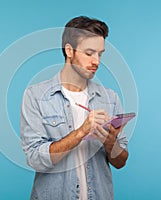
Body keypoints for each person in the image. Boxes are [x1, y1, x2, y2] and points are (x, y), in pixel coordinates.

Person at [20, 16, 129, 200]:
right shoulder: (36, 96)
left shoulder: (110, 98)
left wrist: (111, 143)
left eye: (100, 54)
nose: (96, 61)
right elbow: (35, 159)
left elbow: (121, 162)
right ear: (69, 51)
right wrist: (81, 132)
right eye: (89, 53)